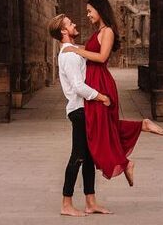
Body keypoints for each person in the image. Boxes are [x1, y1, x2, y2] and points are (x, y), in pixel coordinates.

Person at [63, 0, 163, 187]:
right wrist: (75, 48)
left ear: (99, 10)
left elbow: (101, 57)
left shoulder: (108, 31)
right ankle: (138, 133)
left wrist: (77, 51)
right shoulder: (99, 31)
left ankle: (128, 157)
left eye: (89, 11)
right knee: (102, 125)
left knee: (101, 126)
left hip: (101, 82)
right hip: (93, 81)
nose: (87, 15)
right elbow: (90, 51)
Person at [48, 14, 112, 217]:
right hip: (79, 110)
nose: (74, 24)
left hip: (82, 110)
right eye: (70, 23)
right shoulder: (69, 55)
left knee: (89, 157)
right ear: (64, 31)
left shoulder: (72, 53)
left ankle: (90, 202)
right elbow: (78, 86)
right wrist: (101, 96)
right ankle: (66, 203)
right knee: (77, 156)